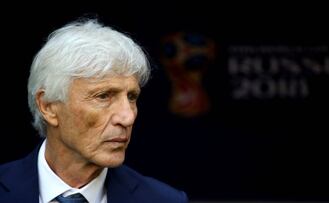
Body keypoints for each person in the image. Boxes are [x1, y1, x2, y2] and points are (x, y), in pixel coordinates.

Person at [0, 18, 188, 203]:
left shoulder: (163, 199)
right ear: (48, 106)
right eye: (103, 96)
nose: (128, 117)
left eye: (131, 97)